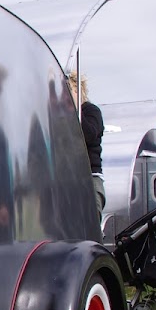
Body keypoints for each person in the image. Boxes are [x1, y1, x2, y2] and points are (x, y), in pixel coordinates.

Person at [68, 71, 106, 214]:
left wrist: (75, 109)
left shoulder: (91, 111)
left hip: (90, 176)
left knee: (91, 219)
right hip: (66, 180)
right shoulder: (58, 117)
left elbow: (88, 135)